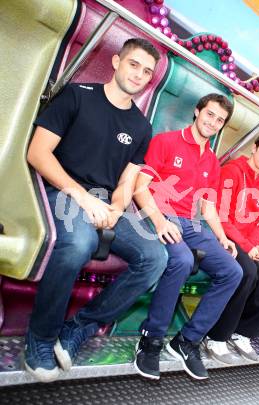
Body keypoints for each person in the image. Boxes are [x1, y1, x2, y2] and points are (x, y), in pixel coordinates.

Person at [25, 38, 167, 383]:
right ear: (116, 62)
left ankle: (80, 327)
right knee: (78, 243)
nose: (139, 74)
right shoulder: (77, 95)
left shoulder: (141, 126)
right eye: (134, 64)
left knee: (156, 256)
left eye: (147, 71)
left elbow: (127, 182)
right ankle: (40, 339)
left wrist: (116, 209)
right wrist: (82, 198)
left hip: (104, 201)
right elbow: (38, 153)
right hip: (60, 190)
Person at [133, 93, 242, 380]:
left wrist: (222, 237)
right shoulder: (166, 141)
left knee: (233, 271)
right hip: (158, 213)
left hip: (190, 224)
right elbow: (140, 187)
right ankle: (151, 338)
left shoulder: (211, 161)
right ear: (197, 111)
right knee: (181, 259)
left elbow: (207, 206)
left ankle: (186, 340)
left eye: (220, 120)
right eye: (210, 114)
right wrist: (158, 221)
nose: (213, 122)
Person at [205, 132, 259, 364]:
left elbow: (258, 222)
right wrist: (246, 245)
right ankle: (216, 336)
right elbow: (221, 216)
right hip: (226, 236)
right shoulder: (233, 171)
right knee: (249, 272)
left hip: (249, 241)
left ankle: (241, 332)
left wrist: (256, 245)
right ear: (254, 148)